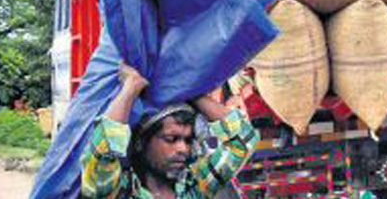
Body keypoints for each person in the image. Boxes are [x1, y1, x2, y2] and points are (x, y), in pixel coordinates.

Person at [80, 63, 257, 199]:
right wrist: (131, 88)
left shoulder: (194, 188)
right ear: (141, 142)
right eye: (171, 139)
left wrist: (191, 93)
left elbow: (242, 140)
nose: (183, 149)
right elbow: (103, 154)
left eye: (188, 140)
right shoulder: (120, 192)